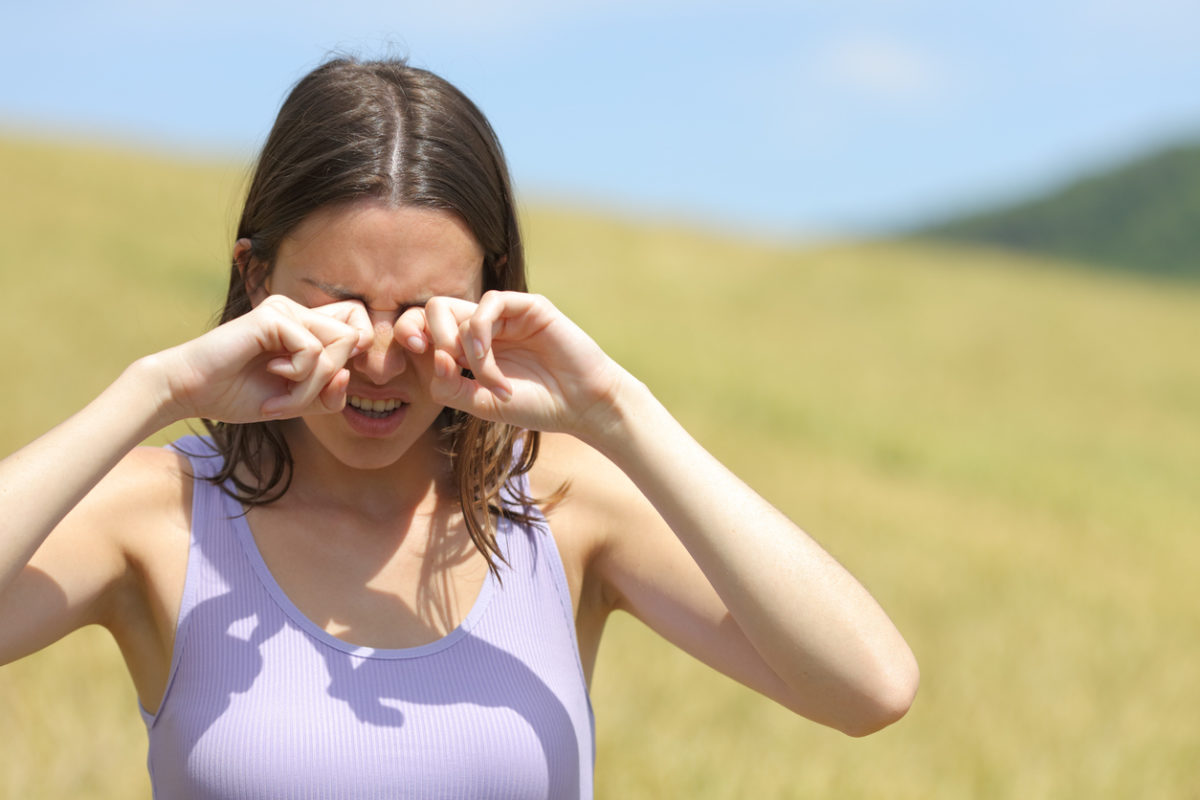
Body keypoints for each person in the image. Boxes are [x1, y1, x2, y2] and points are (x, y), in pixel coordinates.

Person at [0, 57, 917, 798]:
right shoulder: (158, 515)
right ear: (256, 279)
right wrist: (153, 389)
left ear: (492, 297)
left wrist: (617, 413)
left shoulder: (563, 505)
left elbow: (869, 687)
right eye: (344, 305)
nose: (384, 359)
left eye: (426, 308)